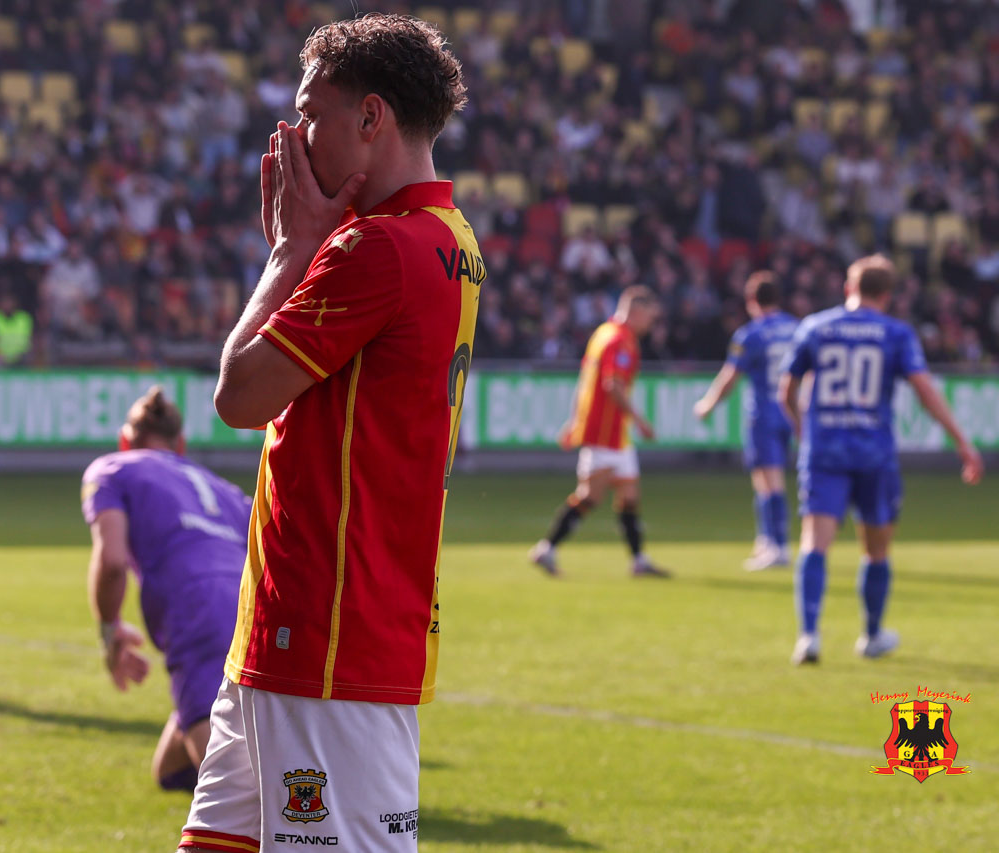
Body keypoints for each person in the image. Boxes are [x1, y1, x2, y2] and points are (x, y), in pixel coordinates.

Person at [178, 14, 476, 852]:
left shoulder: (374, 250)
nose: (297, 136)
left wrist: (289, 252)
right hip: (303, 624)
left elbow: (240, 397)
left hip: (331, 636)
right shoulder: (451, 239)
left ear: (371, 117)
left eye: (312, 114)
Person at [778, 255, 983, 666]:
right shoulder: (895, 333)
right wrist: (961, 441)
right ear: (887, 295)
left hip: (825, 451)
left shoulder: (816, 327)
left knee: (815, 543)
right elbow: (924, 390)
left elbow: (786, 390)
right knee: (876, 549)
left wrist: (803, 430)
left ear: (848, 288)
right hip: (875, 453)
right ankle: (871, 635)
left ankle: (809, 636)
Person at [82, 388, 251, 792]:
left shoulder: (112, 469)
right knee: (170, 773)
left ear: (125, 441)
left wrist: (109, 630)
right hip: (254, 608)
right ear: (181, 444)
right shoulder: (224, 489)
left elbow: (112, 561)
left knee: (232, 791)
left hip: (197, 607)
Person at [529, 287, 670, 579]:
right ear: (636, 311)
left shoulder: (604, 333)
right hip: (605, 434)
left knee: (629, 496)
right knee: (590, 496)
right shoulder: (620, 340)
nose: (651, 323)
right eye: (649, 317)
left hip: (615, 434)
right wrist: (640, 420)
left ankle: (639, 560)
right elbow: (612, 384)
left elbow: (585, 380)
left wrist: (574, 420)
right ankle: (546, 549)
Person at [693, 271, 799, 570]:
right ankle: (766, 539)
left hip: (764, 413)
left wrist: (708, 404)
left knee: (769, 480)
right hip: (790, 410)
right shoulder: (796, 328)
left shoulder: (750, 334)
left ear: (751, 300)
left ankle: (778, 546)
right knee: (763, 478)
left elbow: (731, 376)